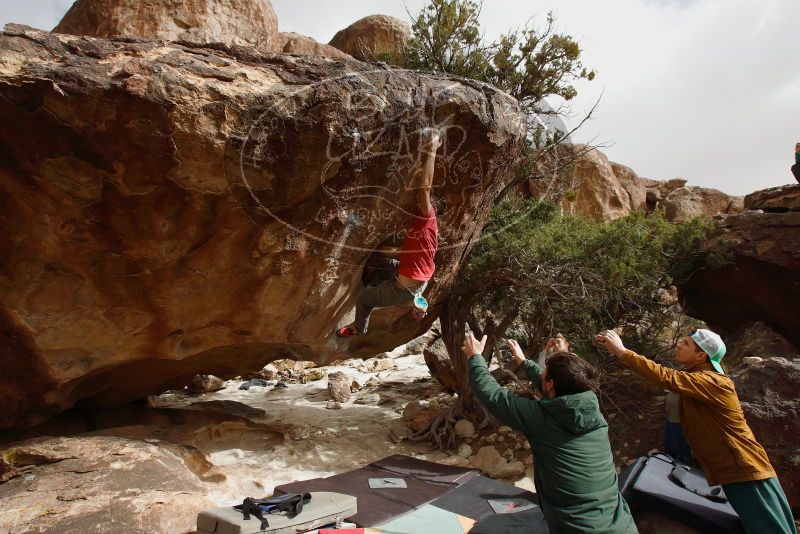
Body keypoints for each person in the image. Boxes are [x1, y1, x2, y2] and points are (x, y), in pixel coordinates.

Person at [595, 328, 796, 534]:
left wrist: (622, 351)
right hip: (736, 471)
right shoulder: (698, 378)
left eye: (686, 343)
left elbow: (665, 377)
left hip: (745, 471)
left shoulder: (714, 382)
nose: (679, 345)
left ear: (701, 356)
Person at [463, 332, 637, 534]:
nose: (542, 376)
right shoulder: (590, 408)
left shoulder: (542, 420)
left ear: (551, 384)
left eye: (545, 375)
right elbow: (554, 388)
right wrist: (523, 362)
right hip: (621, 525)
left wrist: (475, 357)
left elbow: (493, 395)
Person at [336, 129, 441, 337]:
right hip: (415, 277)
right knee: (380, 259)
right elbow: (405, 254)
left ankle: (359, 328)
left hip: (403, 289)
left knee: (364, 300)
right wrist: (384, 251)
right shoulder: (425, 233)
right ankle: (375, 277)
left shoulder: (428, 220)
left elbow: (425, 188)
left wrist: (431, 150)